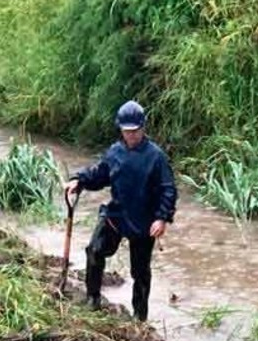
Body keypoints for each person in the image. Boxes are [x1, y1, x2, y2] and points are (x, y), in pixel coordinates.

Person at [64, 100, 177, 322]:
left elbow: (168, 190)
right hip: (116, 215)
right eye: (127, 131)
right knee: (94, 251)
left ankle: (139, 316)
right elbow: (100, 174)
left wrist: (162, 218)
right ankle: (92, 299)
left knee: (140, 272)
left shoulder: (156, 157)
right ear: (121, 130)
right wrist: (79, 180)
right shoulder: (115, 152)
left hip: (144, 221)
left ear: (143, 128)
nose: (131, 136)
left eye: (135, 131)